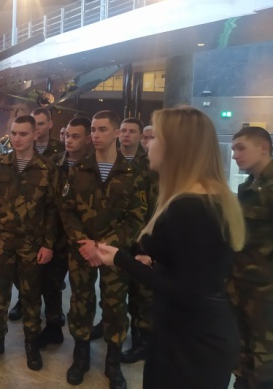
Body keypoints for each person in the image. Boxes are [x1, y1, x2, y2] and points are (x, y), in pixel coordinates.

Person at [96, 106, 245, 389]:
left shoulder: (189, 207)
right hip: (191, 330)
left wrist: (121, 259)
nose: (148, 145)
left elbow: (185, 292)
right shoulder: (208, 196)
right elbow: (194, 266)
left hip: (190, 341)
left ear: (176, 147)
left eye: (155, 138)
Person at [57, 110, 147, 388]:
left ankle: (113, 361)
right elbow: (67, 210)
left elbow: (136, 217)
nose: (95, 135)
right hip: (82, 250)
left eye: (102, 129)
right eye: (93, 129)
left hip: (116, 253)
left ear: (117, 133)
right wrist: (85, 243)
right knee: (80, 302)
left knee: (115, 305)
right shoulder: (78, 169)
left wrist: (105, 246)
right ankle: (81, 355)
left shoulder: (132, 173)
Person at [0, 115, 57, 371]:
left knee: (31, 296)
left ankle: (31, 343)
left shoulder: (46, 168)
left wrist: (48, 244)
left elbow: (52, 210)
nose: (17, 138)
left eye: (23, 134)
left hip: (32, 244)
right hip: (2, 242)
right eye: (14, 133)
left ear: (35, 135)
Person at [230, 126, 273, 389]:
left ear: (263, 148)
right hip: (244, 290)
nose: (234, 155)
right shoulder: (249, 186)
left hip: (269, 296)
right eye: (233, 149)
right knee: (243, 361)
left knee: (267, 369)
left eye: (241, 148)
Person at [38, 117, 92, 349]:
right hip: (56, 236)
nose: (69, 140)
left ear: (88, 139)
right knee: (50, 285)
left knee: (82, 292)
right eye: (67, 135)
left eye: (76, 136)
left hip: (83, 238)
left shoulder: (95, 166)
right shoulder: (54, 163)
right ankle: (53, 327)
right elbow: (47, 202)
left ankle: (82, 344)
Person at [7, 107, 64, 322]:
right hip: (20, 226)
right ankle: (23, 301)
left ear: (49, 124)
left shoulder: (59, 150)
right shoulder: (16, 151)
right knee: (21, 273)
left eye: (41, 123)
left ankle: (53, 313)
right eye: (34, 123)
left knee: (51, 276)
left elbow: (54, 200)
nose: (37, 128)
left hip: (46, 226)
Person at [118, 118, 157, 364]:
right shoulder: (111, 159)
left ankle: (142, 340)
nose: (127, 135)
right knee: (113, 288)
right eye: (123, 131)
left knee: (141, 293)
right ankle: (111, 325)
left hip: (142, 239)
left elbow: (154, 205)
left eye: (133, 132)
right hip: (118, 236)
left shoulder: (150, 164)